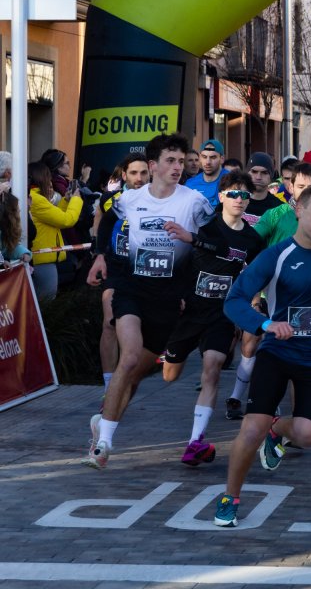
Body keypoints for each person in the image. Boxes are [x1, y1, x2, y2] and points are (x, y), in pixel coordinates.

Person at [212, 185, 311, 527]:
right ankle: (230, 496)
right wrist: (265, 323)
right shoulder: (275, 255)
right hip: (278, 352)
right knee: (251, 429)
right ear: (298, 210)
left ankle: (278, 431)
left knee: (309, 436)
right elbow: (234, 300)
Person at [83, 133, 214, 469]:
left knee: (136, 376)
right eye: (170, 161)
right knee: (127, 359)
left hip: (169, 298)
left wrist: (192, 240)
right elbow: (106, 216)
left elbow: (215, 241)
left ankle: (103, 422)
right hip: (132, 287)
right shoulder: (129, 198)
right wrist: (100, 256)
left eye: (182, 161)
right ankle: (105, 446)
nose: (177, 167)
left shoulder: (194, 202)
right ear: (153, 165)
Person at [161, 171, 266, 466]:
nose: (239, 200)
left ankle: (195, 441)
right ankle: (167, 356)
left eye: (244, 195)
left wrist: (253, 301)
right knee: (170, 375)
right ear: (221, 197)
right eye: (233, 193)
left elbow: (255, 274)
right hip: (190, 311)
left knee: (213, 368)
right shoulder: (205, 225)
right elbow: (186, 256)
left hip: (221, 313)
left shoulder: (252, 239)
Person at [91, 155, 150, 393]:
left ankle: (127, 376)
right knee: (109, 322)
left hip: (146, 268)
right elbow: (100, 228)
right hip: (116, 266)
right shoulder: (110, 200)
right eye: (133, 173)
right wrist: (99, 256)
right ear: (124, 175)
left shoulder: (159, 200)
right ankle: (109, 386)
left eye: (143, 173)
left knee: (139, 326)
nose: (139, 178)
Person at [28, 161, 83, 303]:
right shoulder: (37, 199)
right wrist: (76, 200)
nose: (50, 181)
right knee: (45, 301)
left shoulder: (34, 196)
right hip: (42, 258)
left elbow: (56, 216)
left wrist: (66, 200)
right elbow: (66, 220)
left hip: (41, 257)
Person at [185, 139, 228, 209]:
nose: (208, 162)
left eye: (213, 157)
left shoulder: (232, 181)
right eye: (204, 157)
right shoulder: (190, 184)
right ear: (200, 158)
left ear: (222, 159)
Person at [243, 152, 283, 226]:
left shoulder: (279, 208)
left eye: (264, 172)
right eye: (254, 172)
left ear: (271, 176)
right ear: (247, 173)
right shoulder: (235, 201)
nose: (258, 177)